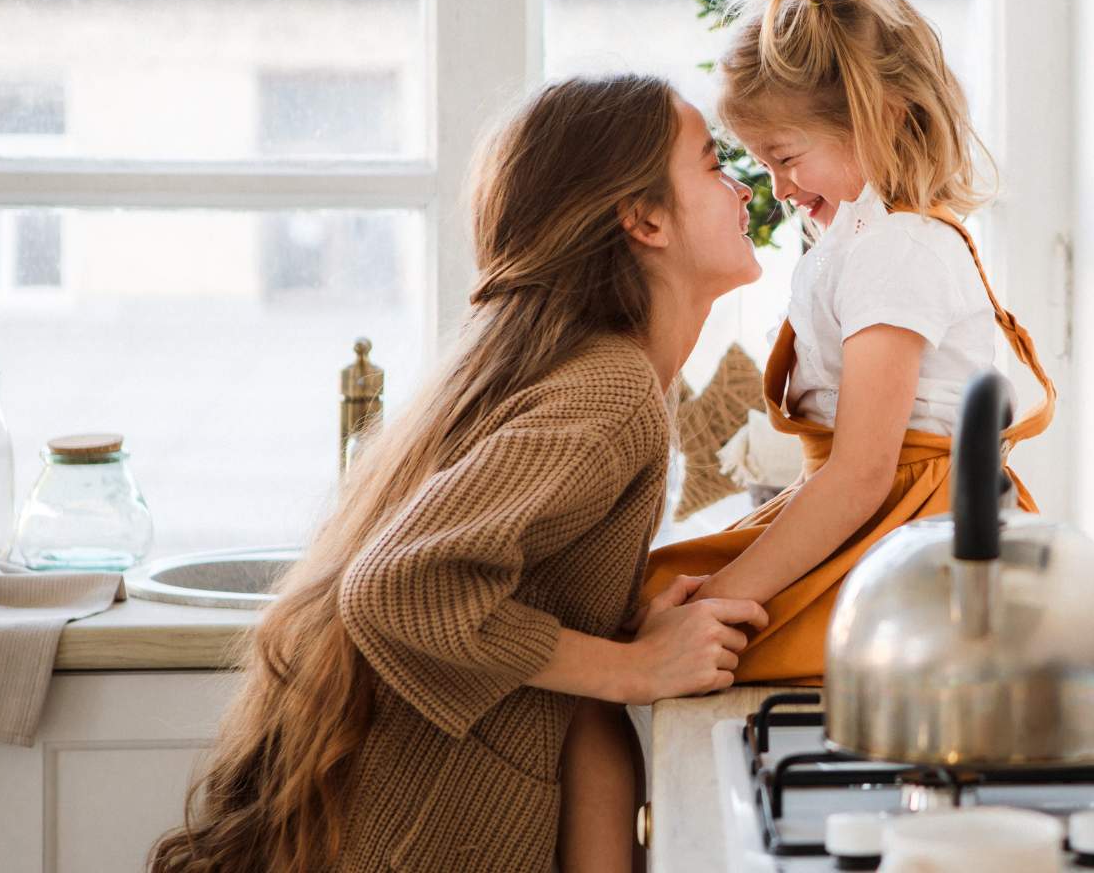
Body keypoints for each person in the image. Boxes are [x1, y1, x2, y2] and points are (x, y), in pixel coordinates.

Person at [149, 74, 770, 873]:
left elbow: (575, 703)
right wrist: (632, 665)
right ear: (644, 217)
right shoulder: (610, 393)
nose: (743, 188)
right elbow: (397, 587)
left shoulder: (598, 377)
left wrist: (622, 653)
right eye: (713, 163)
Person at [641, 0, 1058, 683]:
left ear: (881, 117)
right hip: (867, 511)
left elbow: (864, 472)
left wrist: (726, 596)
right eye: (759, 163)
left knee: (677, 634)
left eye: (786, 157)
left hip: (906, 534)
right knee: (649, 609)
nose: (774, 187)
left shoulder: (897, 250)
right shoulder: (860, 241)